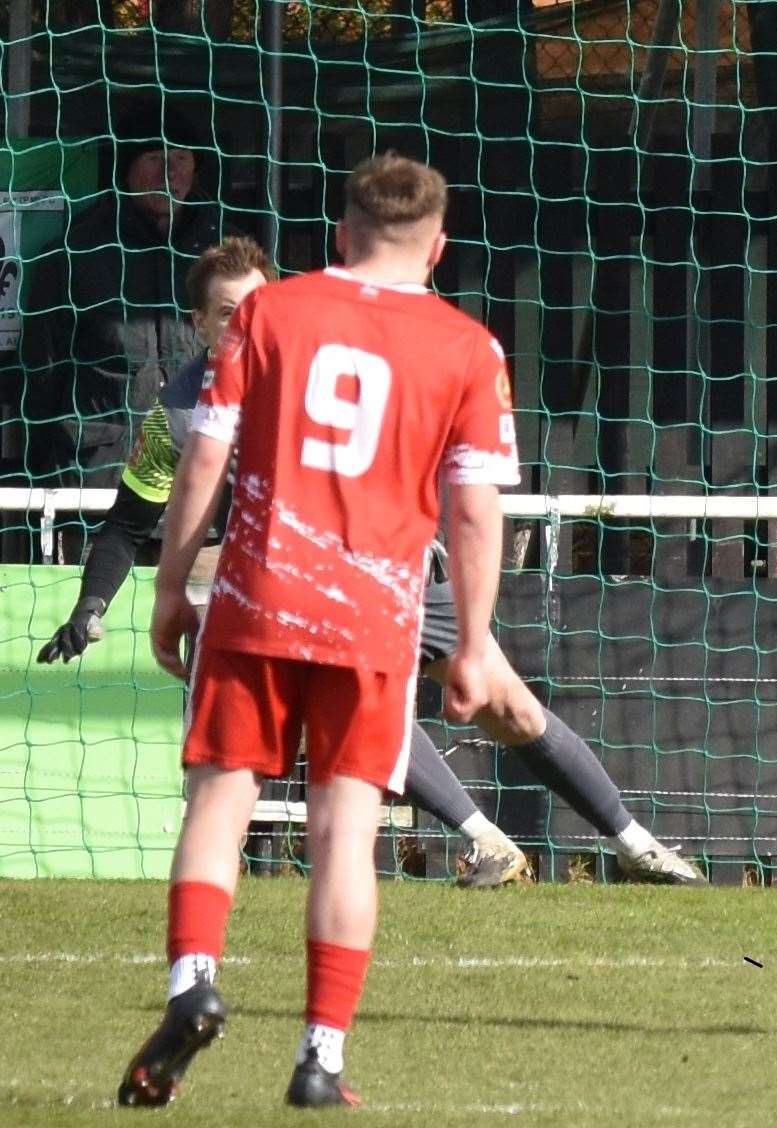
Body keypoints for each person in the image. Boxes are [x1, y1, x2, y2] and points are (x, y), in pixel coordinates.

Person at [36, 235, 699, 890]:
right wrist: (92, 604)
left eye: (259, 307)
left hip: (398, 562)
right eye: (230, 313)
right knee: (348, 706)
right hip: (312, 584)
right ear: (201, 324)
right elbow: (127, 525)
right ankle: (486, 841)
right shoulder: (179, 418)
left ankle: (635, 845)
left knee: (511, 710)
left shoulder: (319, 363)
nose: (248, 323)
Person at [114, 154, 516, 1107]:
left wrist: (172, 588)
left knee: (220, 799)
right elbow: (473, 513)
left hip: (256, 598)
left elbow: (203, 460)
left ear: (341, 233)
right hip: (372, 619)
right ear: (440, 247)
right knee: (345, 831)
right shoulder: (468, 350)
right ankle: (321, 1059)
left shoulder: (268, 313)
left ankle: (193, 983)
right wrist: (474, 641)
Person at [19, 102, 232, 495]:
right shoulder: (75, 252)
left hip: (201, 488)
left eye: (181, 158)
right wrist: (48, 470)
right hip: (98, 484)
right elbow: (43, 374)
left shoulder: (226, 256)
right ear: (127, 168)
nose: (169, 172)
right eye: (154, 158)